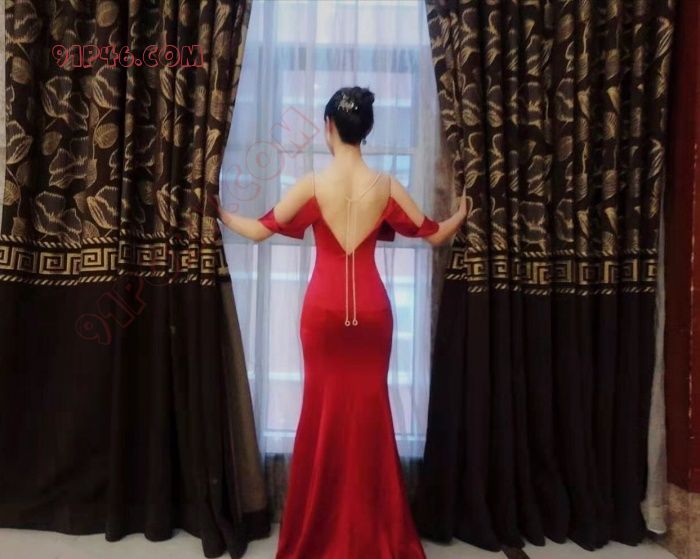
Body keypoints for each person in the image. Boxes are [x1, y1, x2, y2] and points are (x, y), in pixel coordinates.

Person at [216, 86, 468, 558]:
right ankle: (374, 529)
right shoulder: (387, 186)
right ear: (365, 131)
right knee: (370, 416)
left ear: (329, 126)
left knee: (322, 414)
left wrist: (219, 211)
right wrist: (462, 212)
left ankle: (320, 527)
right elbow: (434, 235)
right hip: (373, 315)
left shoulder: (312, 185)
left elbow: (257, 230)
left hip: (323, 315)